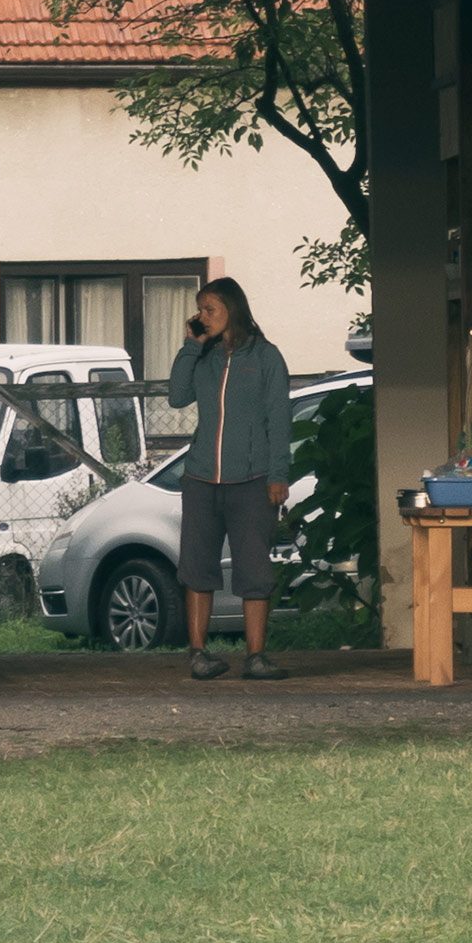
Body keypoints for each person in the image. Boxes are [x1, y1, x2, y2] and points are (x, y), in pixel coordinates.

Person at [165, 277, 293, 681]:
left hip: (253, 482)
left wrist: (278, 476)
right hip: (201, 480)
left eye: (210, 310)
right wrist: (191, 344)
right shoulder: (203, 355)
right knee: (197, 567)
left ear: (232, 310)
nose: (202, 316)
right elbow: (176, 396)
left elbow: (280, 420)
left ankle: (256, 657)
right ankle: (199, 654)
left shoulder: (267, 357)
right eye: (200, 310)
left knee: (254, 570)